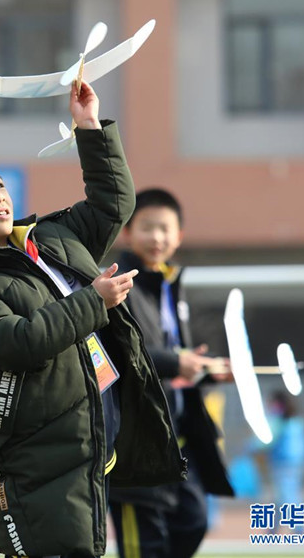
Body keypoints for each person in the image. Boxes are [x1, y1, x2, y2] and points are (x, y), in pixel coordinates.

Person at [0, 82, 187, 558]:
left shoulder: (52, 236)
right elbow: (13, 342)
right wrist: (94, 302)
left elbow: (114, 206)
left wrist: (89, 128)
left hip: (96, 431)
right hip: (39, 452)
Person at [108, 188, 234, 558]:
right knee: (142, 548)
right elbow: (118, 351)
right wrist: (176, 361)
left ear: (179, 236)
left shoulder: (170, 287)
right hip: (135, 445)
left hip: (178, 439)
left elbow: (175, 358)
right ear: (128, 232)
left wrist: (207, 371)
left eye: (166, 229)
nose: (157, 237)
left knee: (193, 521)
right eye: (147, 227)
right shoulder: (116, 285)